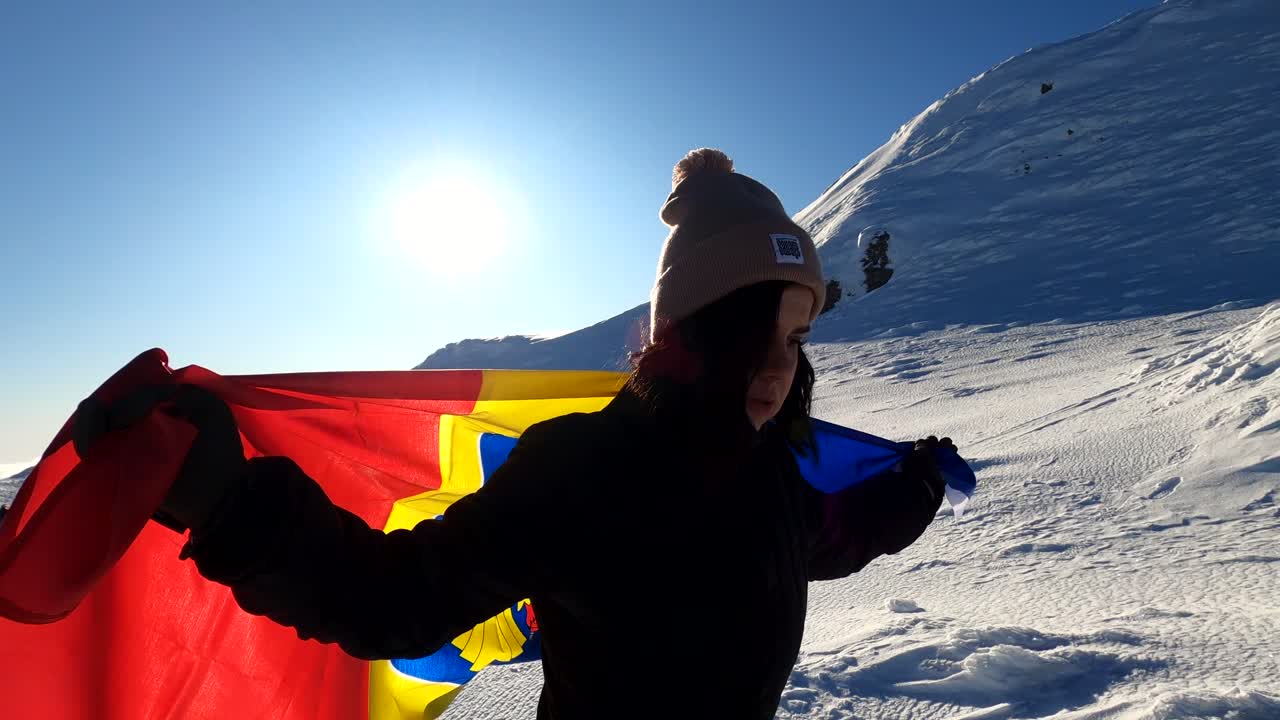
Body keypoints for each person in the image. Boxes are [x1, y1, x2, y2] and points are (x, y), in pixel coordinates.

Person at [113, 149, 956, 719]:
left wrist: (912, 486)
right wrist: (230, 507)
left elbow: (830, 536)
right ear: (683, 338)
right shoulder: (584, 470)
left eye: (796, 340)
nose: (775, 370)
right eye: (749, 335)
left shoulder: (768, 468)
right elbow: (396, 598)